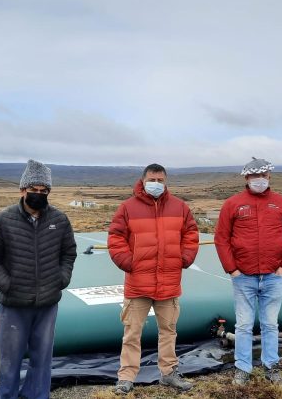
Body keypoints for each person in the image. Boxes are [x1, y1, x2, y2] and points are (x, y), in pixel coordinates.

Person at [0, 159, 77, 399]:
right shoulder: (4, 219)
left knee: (42, 359)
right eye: (33, 190)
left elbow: (69, 253)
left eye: (44, 191)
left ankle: (37, 396)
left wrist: (61, 279)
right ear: (22, 190)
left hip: (47, 305)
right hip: (14, 306)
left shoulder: (59, 220)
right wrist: (8, 285)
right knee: (7, 363)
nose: (38, 194)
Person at [108, 163, 200, 395]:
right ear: (143, 180)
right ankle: (126, 377)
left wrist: (185, 257)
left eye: (160, 180)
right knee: (132, 332)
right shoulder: (127, 208)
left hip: (169, 281)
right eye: (152, 180)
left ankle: (169, 374)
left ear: (166, 182)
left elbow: (191, 234)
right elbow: (116, 237)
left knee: (168, 330)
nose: (156, 184)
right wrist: (128, 262)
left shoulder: (180, 207)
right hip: (138, 283)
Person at [214, 157, 282, 386]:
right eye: (254, 176)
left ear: (269, 176)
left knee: (271, 324)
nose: (258, 180)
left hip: (274, 275)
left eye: (262, 175)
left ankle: (271, 366)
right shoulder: (233, 204)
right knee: (243, 325)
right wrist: (232, 269)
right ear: (246, 178)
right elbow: (221, 238)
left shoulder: (281, 203)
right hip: (244, 277)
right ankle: (243, 368)